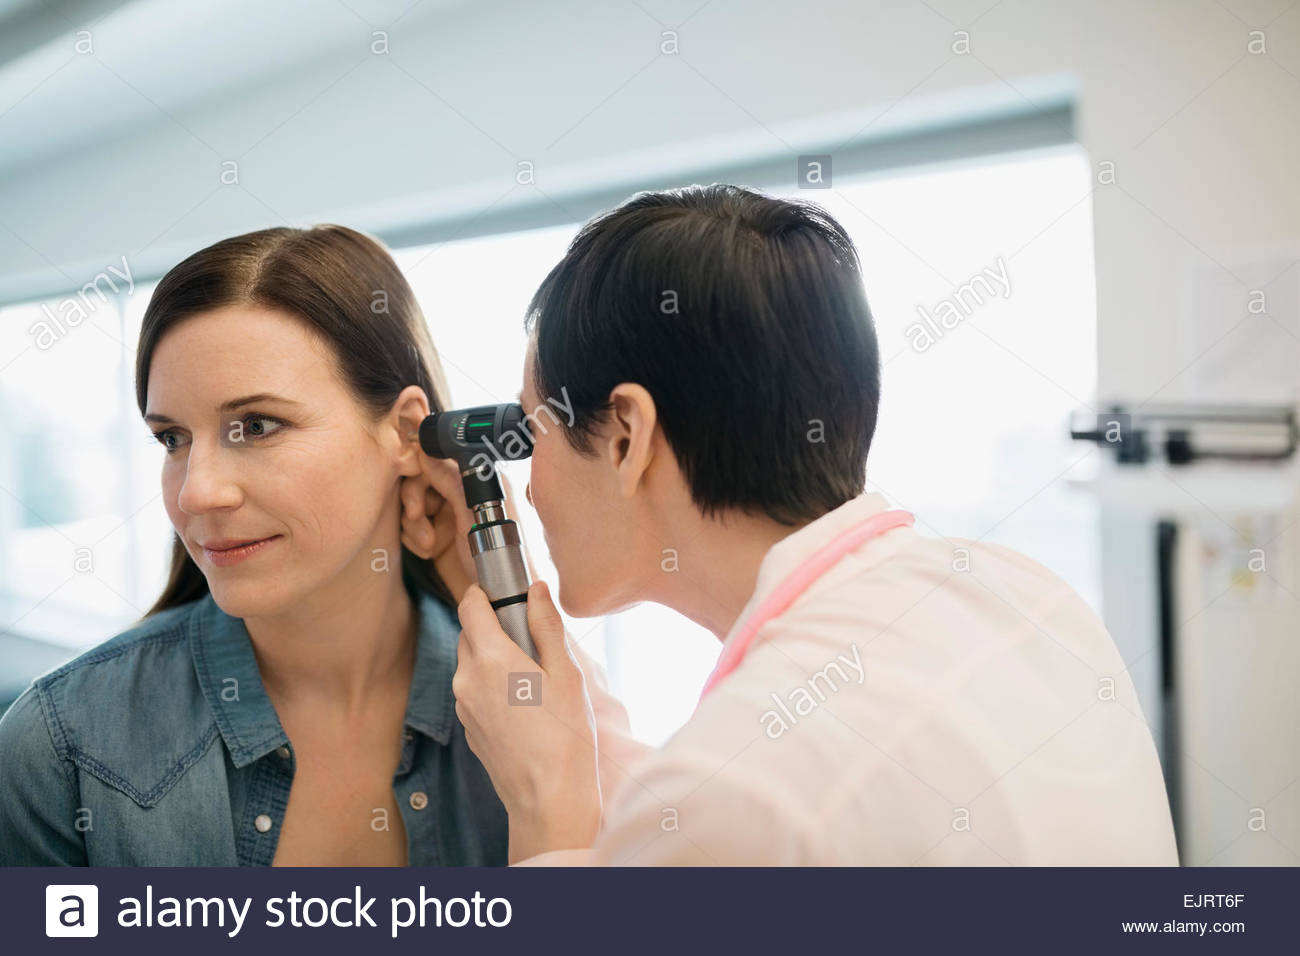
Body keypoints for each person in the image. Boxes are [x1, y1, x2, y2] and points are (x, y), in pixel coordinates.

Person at [403, 183, 1181, 865]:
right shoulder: (1029, 599)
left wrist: (543, 801)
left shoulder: (743, 792)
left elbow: (705, 827)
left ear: (626, 437)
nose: (528, 485)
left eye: (531, 433)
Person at [0, 225, 506, 866]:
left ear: (406, 434)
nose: (197, 492)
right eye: (172, 438)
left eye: (257, 426)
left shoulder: (531, 714)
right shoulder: (57, 748)